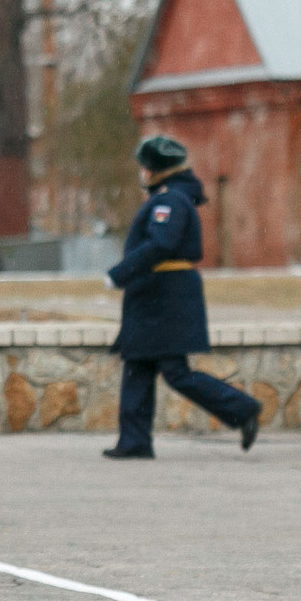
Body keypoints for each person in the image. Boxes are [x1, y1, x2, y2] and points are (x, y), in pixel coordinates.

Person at [103, 136, 260, 458]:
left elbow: (162, 243)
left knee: (175, 372)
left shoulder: (170, 201)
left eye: (145, 167)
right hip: (153, 294)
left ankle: (242, 409)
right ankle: (134, 440)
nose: (142, 173)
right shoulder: (169, 196)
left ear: (157, 170)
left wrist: (121, 271)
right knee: (137, 365)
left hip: (165, 296)